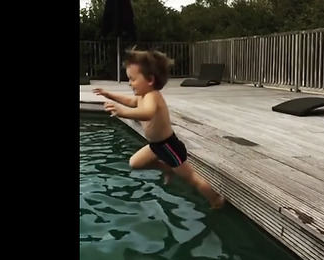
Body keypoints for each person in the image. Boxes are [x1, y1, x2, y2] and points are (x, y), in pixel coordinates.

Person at [93, 47, 225, 209]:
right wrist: (109, 94)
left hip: (169, 146)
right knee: (135, 162)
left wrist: (122, 112)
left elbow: (147, 113)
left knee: (191, 178)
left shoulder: (152, 97)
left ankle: (215, 200)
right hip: (156, 146)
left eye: (133, 79)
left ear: (149, 80)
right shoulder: (142, 96)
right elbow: (129, 101)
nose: (130, 83)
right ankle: (167, 168)